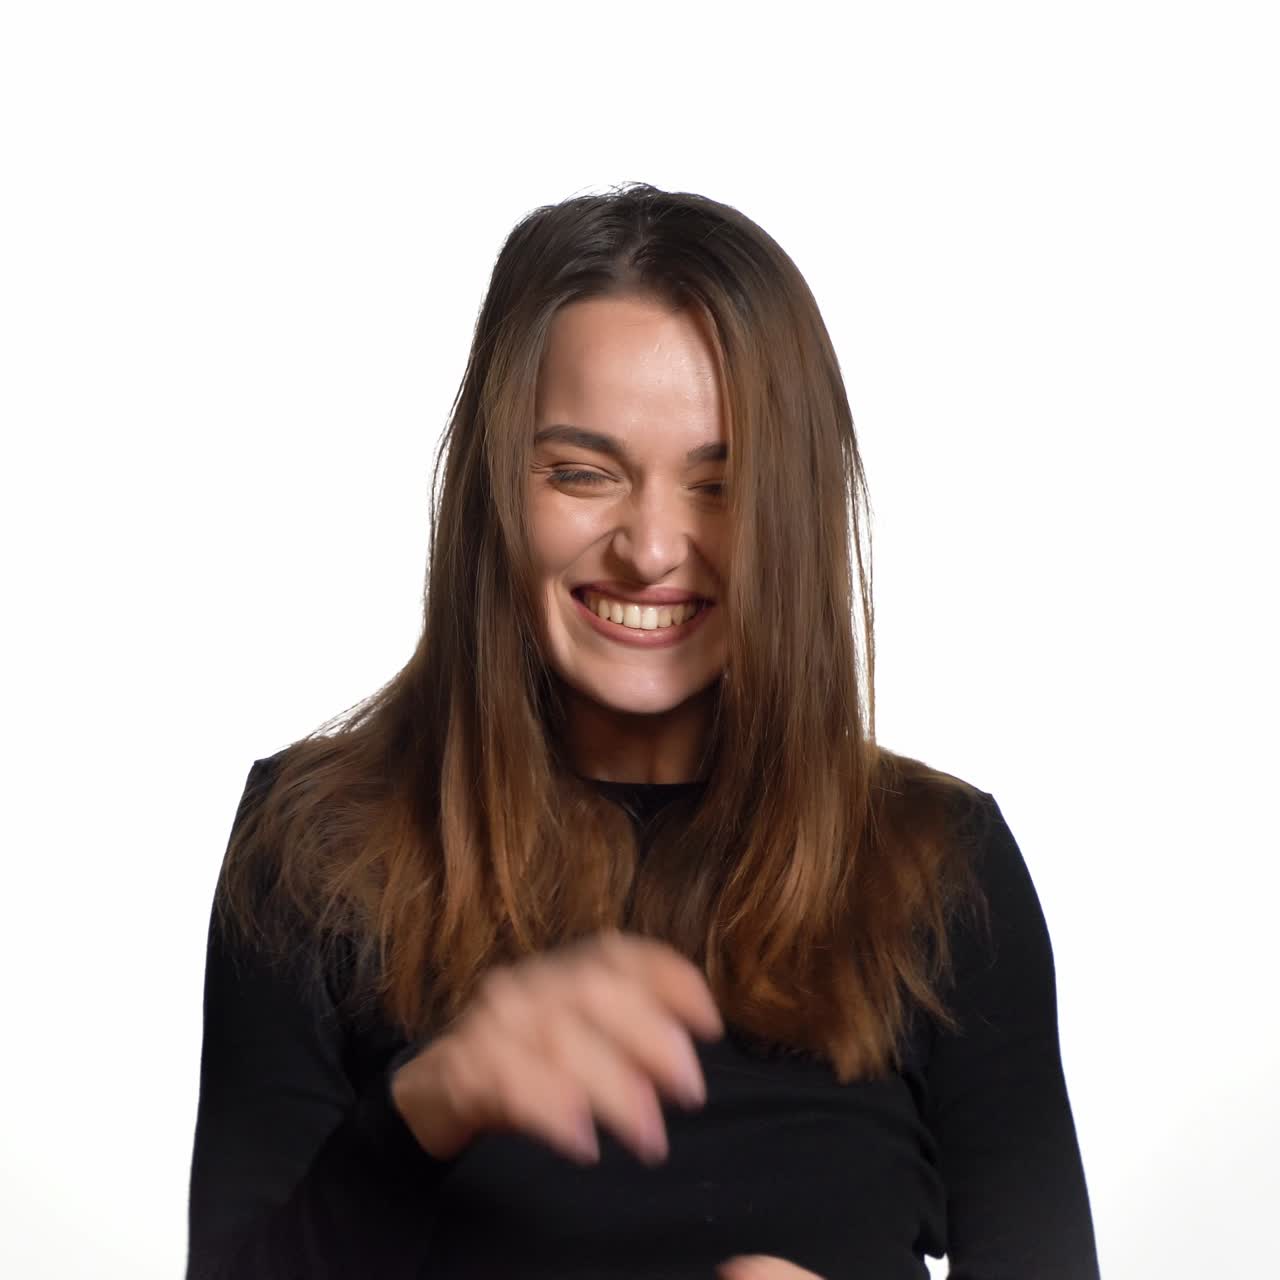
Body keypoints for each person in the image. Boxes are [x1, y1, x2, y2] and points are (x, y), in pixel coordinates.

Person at [185, 182, 1101, 1280]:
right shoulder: (310, 849)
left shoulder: (943, 865)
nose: (651, 548)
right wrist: (421, 1108)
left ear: (792, 509)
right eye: (581, 473)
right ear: (493, 489)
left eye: (720, 485)